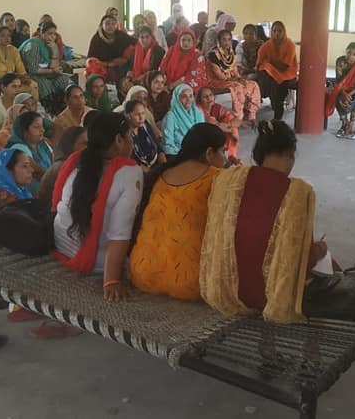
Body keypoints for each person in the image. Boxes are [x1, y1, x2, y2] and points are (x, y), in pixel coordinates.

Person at [200, 120, 333, 323]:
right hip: (271, 300)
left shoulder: (228, 179)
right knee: (329, 265)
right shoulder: (297, 192)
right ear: (291, 154)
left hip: (224, 290)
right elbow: (299, 264)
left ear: (258, 155)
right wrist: (319, 250)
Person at [50, 112, 142, 301]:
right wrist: (111, 280)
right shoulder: (129, 172)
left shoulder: (77, 159)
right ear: (118, 140)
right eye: (130, 136)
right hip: (93, 258)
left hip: (61, 242)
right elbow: (119, 232)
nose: (132, 142)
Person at [130, 124, 227, 300]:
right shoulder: (217, 177)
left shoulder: (163, 175)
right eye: (223, 151)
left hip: (142, 272)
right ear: (209, 153)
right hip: (190, 283)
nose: (226, 158)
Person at [18, 21, 74, 115]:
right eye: (49, 33)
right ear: (41, 33)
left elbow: (54, 66)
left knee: (64, 80)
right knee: (45, 84)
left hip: (47, 73)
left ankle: (67, 109)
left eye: (54, 34)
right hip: (32, 75)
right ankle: (51, 112)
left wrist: (54, 50)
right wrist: (52, 70)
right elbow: (33, 69)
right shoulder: (33, 45)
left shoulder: (49, 45)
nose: (52, 37)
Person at [207, 29, 262, 123]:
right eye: (224, 39)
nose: (227, 42)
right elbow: (219, 75)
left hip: (231, 79)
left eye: (229, 39)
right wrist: (236, 80)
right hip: (217, 81)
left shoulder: (231, 52)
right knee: (238, 87)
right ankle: (238, 117)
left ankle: (251, 113)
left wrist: (239, 78)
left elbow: (234, 69)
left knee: (253, 84)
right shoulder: (213, 54)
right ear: (219, 41)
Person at [324, 42, 355, 140]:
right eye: (348, 52)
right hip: (342, 89)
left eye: (354, 54)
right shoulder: (340, 61)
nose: (350, 56)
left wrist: (349, 94)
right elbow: (339, 80)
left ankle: (351, 125)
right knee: (337, 96)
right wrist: (344, 93)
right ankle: (344, 123)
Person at [257, 21, 299, 121]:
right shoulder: (267, 45)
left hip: (287, 72)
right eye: (274, 30)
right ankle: (271, 99)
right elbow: (259, 63)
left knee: (277, 84)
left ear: (284, 32)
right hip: (272, 72)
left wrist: (270, 62)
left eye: (279, 31)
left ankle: (278, 111)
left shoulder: (290, 44)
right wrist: (267, 64)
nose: (277, 33)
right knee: (265, 70)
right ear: (271, 31)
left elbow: (285, 66)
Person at [37, 126, 88, 205]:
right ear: (70, 145)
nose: (89, 148)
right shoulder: (64, 168)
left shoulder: (72, 165)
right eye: (85, 144)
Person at [0, 25, 39, 101]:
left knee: (33, 84)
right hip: (0, 81)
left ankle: (33, 108)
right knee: (14, 87)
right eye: (2, 35)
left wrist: (24, 77)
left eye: (8, 35)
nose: (6, 38)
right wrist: (17, 77)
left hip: (15, 79)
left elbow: (21, 69)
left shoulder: (13, 49)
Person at [0, 145, 36, 214]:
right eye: (25, 166)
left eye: (29, 165)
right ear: (6, 171)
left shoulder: (21, 193)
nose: (32, 170)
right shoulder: (4, 200)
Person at [7, 111, 52, 194]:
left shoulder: (43, 145)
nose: (42, 130)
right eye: (36, 127)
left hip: (48, 185)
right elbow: (37, 173)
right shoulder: (18, 147)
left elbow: (55, 161)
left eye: (42, 126)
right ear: (25, 131)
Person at [196, 86, 241, 163]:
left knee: (229, 119)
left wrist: (228, 125)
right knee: (214, 121)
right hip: (202, 136)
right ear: (199, 101)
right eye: (205, 97)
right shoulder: (198, 109)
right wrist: (228, 129)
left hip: (217, 130)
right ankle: (224, 157)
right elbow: (211, 122)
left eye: (210, 95)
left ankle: (232, 155)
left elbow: (238, 120)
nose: (209, 98)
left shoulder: (216, 107)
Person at [86, 15, 134, 83]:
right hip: (102, 67)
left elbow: (135, 42)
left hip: (120, 66)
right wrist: (107, 64)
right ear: (101, 25)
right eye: (107, 23)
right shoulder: (96, 39)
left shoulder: (120, 35)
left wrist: (126, 57)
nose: (110, 26)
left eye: (113, 24)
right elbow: (90, 59)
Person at [163, 84, 205, 157]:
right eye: (184, 97)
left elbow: (204, 136)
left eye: (190, 96)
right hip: (179, 155)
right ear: (177, 99)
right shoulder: (171, 116)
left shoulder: (199, 114)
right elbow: (168, 144)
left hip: (199, 154)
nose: (188, 100)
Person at [125, 100, 165, 169]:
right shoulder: (125, 134)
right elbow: (130, 159)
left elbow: (155, 143)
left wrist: (162, 157)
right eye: (137, 114)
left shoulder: (145, 125)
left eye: (143, 113)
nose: (141, 118)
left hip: (154, 164)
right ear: (128, 115)